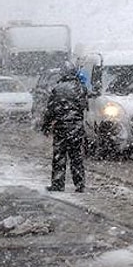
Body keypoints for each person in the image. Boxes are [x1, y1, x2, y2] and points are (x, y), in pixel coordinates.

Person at [40, 62, 87, 192]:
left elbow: (50, 110)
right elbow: (83, 106)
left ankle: (58, 184)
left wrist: (46, 125)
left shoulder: (57, 89)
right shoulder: (81, 88)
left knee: (59, 157)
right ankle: (80, 184)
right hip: (76, 127)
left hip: (61, 127)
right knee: (76, 157)